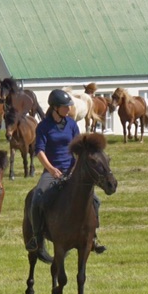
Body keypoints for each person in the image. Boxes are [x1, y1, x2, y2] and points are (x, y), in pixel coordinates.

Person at [34, 87, 103, 253]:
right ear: (56, 107)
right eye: (66, 106)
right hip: (52, 171)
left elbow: (79, 148)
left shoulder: (72, 124)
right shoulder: (43, 126)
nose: (69, 109)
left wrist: (76, 168)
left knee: (95, 200)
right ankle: (36, 238)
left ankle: (93, 237)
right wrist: (50, 169)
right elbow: (39, 151)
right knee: (38, 197)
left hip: (71, 171)